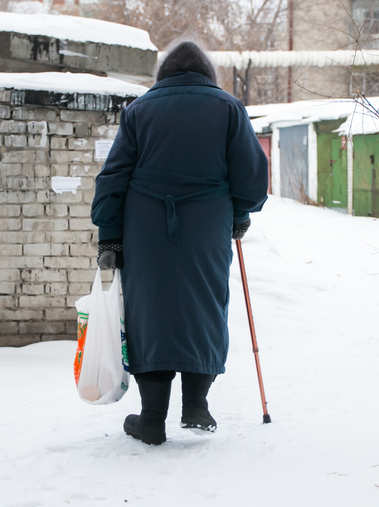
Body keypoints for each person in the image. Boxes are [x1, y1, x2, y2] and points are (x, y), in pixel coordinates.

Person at [90, 41, 268, 445]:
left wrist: (110, 239)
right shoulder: (228, 109)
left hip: (144, 229)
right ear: (207, 74)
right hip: (207, 228)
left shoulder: (139, 111)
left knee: (148, 311)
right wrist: (240, 214)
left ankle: (151, 417)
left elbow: (113, 179)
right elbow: (253, 179)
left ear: (163, 75)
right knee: (203, 304)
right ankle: (197, 405)